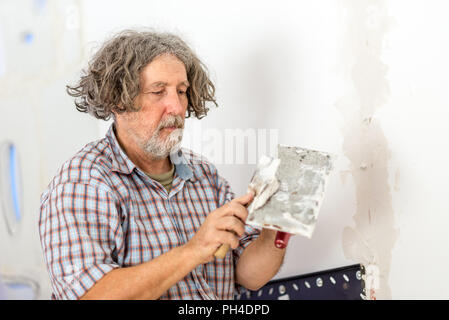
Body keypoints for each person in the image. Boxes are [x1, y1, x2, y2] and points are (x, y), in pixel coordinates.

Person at [38, 30, 286, 300]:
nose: (177, 107)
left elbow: (248, 276)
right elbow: (91, 296)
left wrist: (275, 231)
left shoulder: (204, 174)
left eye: (182, 91)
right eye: (159, 91)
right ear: (118, 100)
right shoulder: (82, 182)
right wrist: (193, 250)